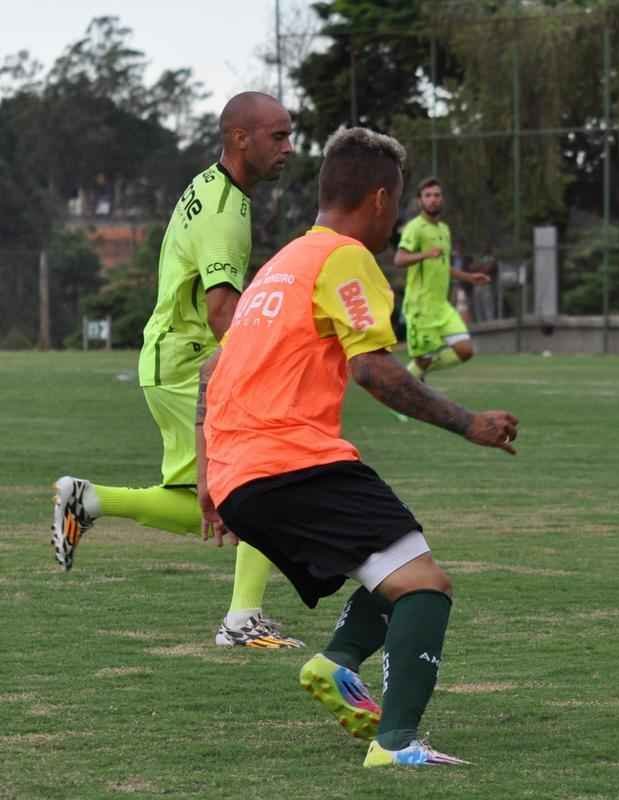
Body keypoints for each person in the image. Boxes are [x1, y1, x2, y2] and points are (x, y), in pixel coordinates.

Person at [196, 127, 519, 767]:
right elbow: (375, 372)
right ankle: (397, 743)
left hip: (241, 473)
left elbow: (213, 371)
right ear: (378, 198)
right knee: (427, 587)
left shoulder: (277, 268)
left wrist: (211, 478)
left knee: (398, 562)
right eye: (394, 204)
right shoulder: (346, 259)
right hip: (291, 462)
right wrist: (469, 423)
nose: (394, 217)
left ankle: (338, 663)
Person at [51, 92, 304, 648]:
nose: (290, 148)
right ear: (242, 138)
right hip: (188, 362)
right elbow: (221, 311)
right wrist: (262, 366)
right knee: (262, 486)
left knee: (218, 502)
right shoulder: (225, 212)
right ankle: (242, 620)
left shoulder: (212, 186)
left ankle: (91, 500)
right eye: (279, 136)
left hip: (171, 358)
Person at [393, 178, 490, 381]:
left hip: (441, 307)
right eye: (427, 196)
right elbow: (399, 259)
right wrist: (425, 254)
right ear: (420, 201)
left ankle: (415, 374)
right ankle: (403, 391)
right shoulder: (415, 228)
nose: (433, 200)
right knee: (422, 361)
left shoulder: (444, 229)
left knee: (465, 351)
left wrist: (469, 277)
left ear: (442, 199)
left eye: (437, 195)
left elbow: (443, 267)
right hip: (421, 308)